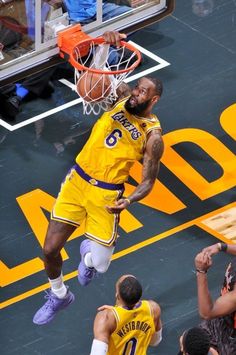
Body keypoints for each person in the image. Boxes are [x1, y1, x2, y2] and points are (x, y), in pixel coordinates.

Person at [32, 30, 164, 326]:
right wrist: (105, 44)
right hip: (77, 182)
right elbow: (96, 78)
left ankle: (88, 257)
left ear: (153, 99)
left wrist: (128, 200)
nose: (137, 93)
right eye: (137, 88)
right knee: (50, 249)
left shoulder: (153, 136)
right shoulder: (123, 98)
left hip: (107, 196)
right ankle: (59, 294)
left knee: (101, 267)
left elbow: (148, 182)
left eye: (143, 92)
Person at [90, 274, 162, 354]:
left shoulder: (106, 318)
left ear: (117, 295)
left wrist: (114, 313)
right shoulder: (153, 309)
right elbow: (155, 342)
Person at [195, 242, 236, 354]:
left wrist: (201, 271)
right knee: (188, 342)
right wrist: (221, 247)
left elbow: (207, 312)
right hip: (222, 319)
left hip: (232, 337)